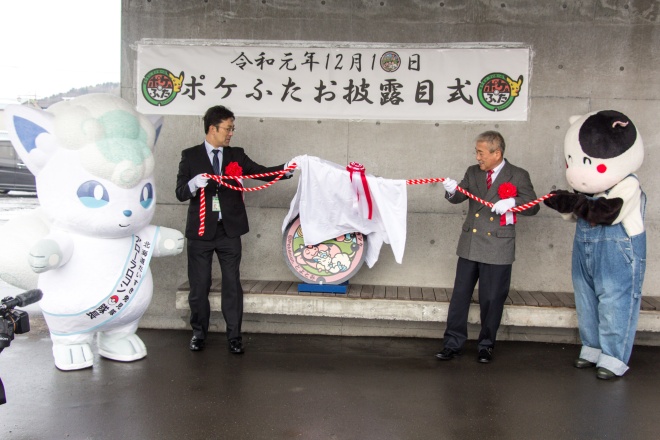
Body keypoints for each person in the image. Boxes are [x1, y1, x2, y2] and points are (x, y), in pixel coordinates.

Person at [176, 105, 296, 354]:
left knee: (232, 283)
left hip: (229, 231)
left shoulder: (236, 155)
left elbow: (261, 172)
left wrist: (286, 170)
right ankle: (199, 333)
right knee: (199, 286)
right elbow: (179, 193)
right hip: (200, 232)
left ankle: (234, 336)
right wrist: (193, 184)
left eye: (232, 129)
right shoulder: (190, 156)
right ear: (213, 128)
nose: (231, 133)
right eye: (228, 128)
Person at [435, 131, 540, 363]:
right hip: (471, 244)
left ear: (497, 153)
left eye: (481, 153)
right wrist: (451, 190)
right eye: (476, 152)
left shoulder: (518, 175)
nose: (477, 157)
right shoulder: (473, 172)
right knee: (460, 297)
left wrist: (513, 202)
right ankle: (452, 343)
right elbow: (458, 197)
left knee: (492, 299)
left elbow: (533, 207)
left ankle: (486, 345)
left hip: (498, 245)